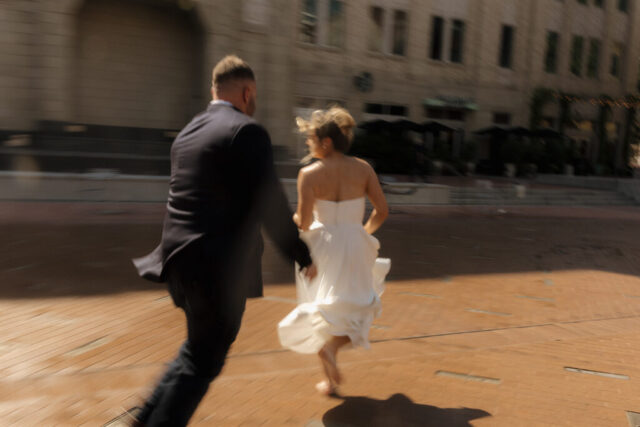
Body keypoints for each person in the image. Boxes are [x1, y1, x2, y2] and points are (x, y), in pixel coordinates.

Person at [128, 55, 316, 426]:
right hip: (217, 271)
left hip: (178, 263)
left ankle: (142, 420)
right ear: (247, 92)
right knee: (203, 362)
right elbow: (271, 205)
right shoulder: (246, 131)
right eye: (254, 95)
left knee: (195, 351)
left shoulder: (188, 132)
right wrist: (301, 254)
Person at [277, 107, 390, 396]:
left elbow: (302, 221)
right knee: (354, 306)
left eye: (311, 138)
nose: (308, 143)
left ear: (326, 142)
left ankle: (328, 359)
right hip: (354, 242)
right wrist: (362, 232)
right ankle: (331, 364)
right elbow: (382, 211)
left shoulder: (309, 174)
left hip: (322, 246)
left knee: (325, 307)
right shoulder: (364, 168)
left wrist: (291, 219)